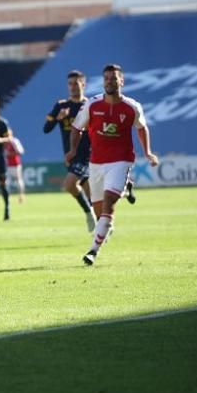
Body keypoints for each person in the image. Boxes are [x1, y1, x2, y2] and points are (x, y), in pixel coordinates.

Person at [68, 64, 159, 266]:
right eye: (107, 78)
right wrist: (73, 150)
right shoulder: (92, 105)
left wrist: (148, 152)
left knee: (109, 203)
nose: (110, 81)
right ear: (103, 82)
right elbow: (76, 128)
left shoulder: (132, 107)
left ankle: (92, 251)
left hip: (121, 160)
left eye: (114, 78)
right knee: (100, 211)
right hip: (96, 164)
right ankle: (123, 193)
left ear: (121, 81)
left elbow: (141, 128)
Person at [44, 70, 96, 232]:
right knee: (91, 196)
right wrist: (58, 118)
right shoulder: (61, 106)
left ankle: (89, 214)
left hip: (87, 155)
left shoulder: (90, 105)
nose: (73, 87)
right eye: (70, 84)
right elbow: (46, 128)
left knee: (69, 184)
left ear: (83, 84)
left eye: (76, 83)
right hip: (70, 156)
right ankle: (102, 223)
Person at [3, 130, 25, 203]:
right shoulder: (4, 143)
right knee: (6, 182)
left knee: (18, 180)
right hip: (7, 165)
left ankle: (21, 195)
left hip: (16, 164)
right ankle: (8, 197)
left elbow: (20, 151)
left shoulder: (14, 141)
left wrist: (10, 154)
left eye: (7, 135)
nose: (6, 137)